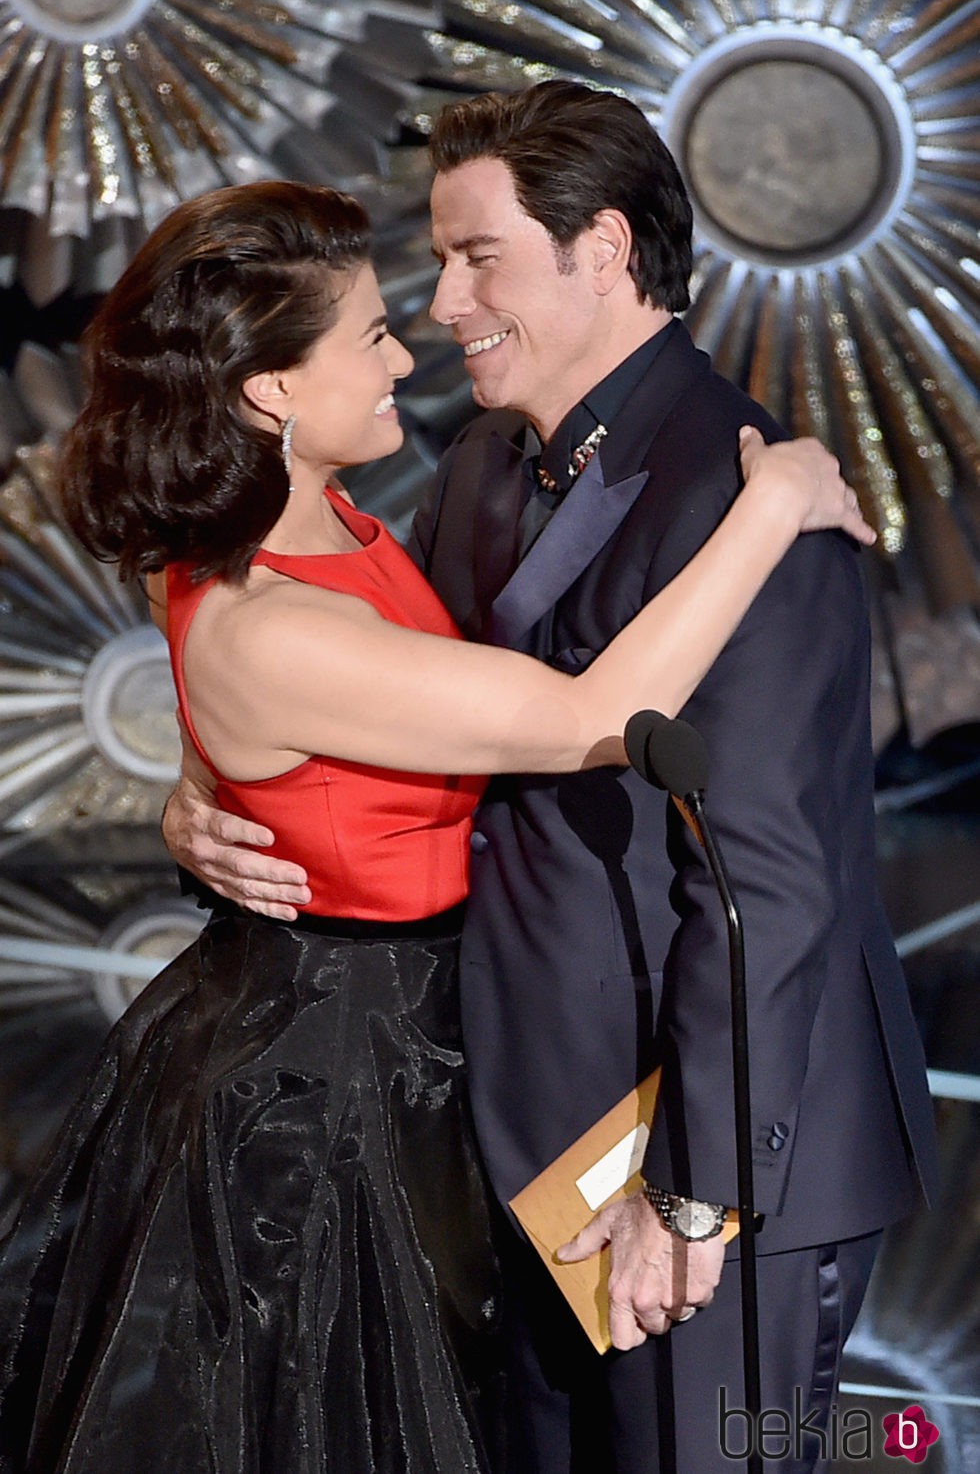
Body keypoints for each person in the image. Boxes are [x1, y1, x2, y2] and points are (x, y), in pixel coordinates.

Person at [0, 180, 868, 1474]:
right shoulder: (275, 618)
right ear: (268, 393)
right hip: (331, 1078)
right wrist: (778, 496)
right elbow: (598, 714)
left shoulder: (320, 523)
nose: (410, 352)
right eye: (367, 335)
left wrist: (214, 788)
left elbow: (315, 721)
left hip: (409, 1030)